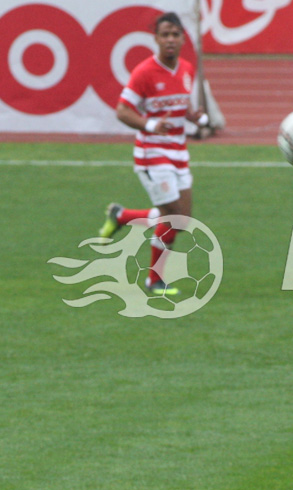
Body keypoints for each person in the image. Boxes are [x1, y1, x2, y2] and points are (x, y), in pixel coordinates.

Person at [97, 11, 207, 296]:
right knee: (173, 218)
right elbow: (122, 110)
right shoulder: (145, 72)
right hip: (152, 154)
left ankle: (122, 216)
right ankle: (154, 280)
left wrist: (194, 116)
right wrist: (150, 124)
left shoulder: (185, 69)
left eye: (175, 35)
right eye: (165, 35)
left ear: (183, 39)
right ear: (156, 39)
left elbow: (180, 108)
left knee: (182, 220)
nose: (170, 40)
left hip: (178, 153)